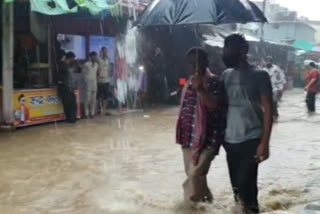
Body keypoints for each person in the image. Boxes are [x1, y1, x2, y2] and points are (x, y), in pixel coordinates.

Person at [222, 34, 273, 213]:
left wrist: (265, 144)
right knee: (237, 188)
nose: (226, 52)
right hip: (229, 140)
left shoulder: (260, 75)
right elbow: (219, 105)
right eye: (225, 48)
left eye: (230, 48)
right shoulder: (225, 75)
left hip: (251, 138)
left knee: (247, 187)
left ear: (243, 50)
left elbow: (268, 110)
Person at [176, 48, 226, 203]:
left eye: (198, 62)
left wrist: (201, 90)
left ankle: (188, 207)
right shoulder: (188, 82)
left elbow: (215, 105)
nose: (194, 67)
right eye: (191, 64)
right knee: (196, 178)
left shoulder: (215, 82)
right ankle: (208, 204)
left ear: (206, 62)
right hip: (187, 138)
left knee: (194, 175)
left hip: (208, 139)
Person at [57, 51, 77, 123]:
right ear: (70, 58)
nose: (73, 60)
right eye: (73, 58)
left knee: (72, 103)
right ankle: (70, 118)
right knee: (68, 104)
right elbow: (59, 78)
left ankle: (72, 118)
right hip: (65, 88)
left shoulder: (68, 66)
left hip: (70, 88)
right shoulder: (62, 65)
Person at [83, 52, 99, 118]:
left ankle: (92, 113)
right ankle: (86, 113)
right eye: (93, 56)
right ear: (90, 56)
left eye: (95, 56)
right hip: (88, 83)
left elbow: (97, 73)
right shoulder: (86, 64)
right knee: (87, 99)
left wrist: (96, 80)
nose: (94, 58)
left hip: (94, 83)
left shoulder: (97, 65)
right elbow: (83, 74)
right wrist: (86, 81)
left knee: (94, 100)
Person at [97, 47, 112, 115]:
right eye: (104, 51)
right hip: (99, 80)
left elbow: (109, 69)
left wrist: (110, 74)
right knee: (99, 96)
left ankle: (104, 109)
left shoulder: (108, 59)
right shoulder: (98, 59)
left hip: (106, 80)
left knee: (106, 96)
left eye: (106, 51)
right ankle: (97, 109)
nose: (106, 52)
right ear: (101, 51)